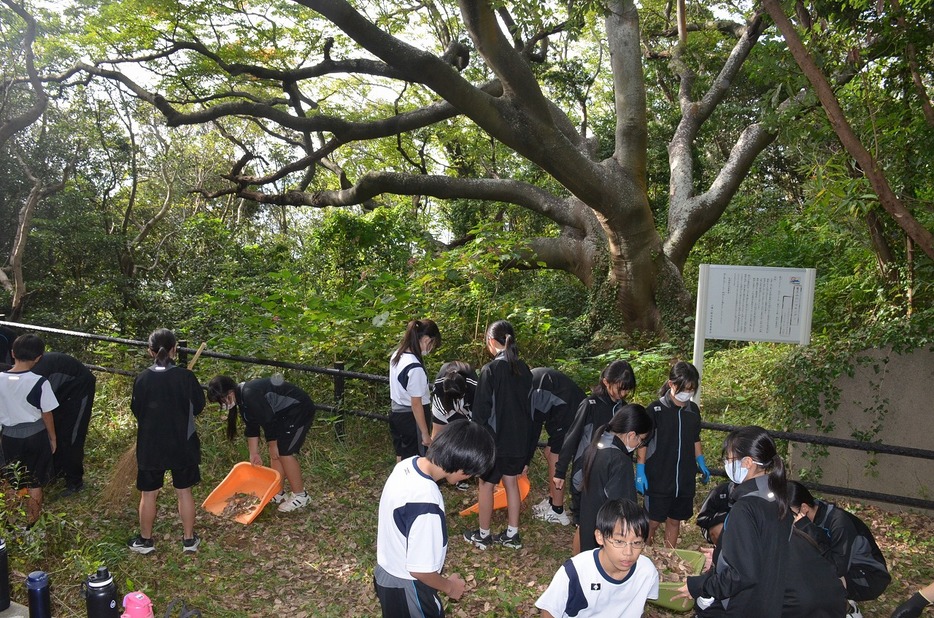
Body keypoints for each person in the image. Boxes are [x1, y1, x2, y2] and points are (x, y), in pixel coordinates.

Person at [374, 419, 495, 618]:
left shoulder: (407, 465)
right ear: (463, 467)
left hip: (387, 575)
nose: (469, 478)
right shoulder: (426, 501)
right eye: (471, 474)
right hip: (410, 589)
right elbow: (420, 571)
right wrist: (450, 587)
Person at [676, 425, 792, 617]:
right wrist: (720, 554)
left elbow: (741, 575)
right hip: (767, 602)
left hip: (740, 606)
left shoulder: (746, 507)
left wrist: (699, 586)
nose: (726, 464)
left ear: (747, 462)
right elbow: (761, 551)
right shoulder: (776, 500)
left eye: (729, 459)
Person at [128, 329, 205, 554]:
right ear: (175, 349)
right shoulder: (186, 377)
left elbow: (137, 410)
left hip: (151, 445)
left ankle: (145, 540)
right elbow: (198, 407)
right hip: (183, 443)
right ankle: (189, 540)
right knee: (184, 491)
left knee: (148, 494)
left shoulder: (142, 378)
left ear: (149, 351)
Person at [463, 320, 534, 550]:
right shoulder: (524, 370)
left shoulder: (490, 370)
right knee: (511, 482)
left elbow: (481, 411)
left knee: (485, 484)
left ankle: (483, 535)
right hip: (518, 440)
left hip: (494, 441)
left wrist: (477, 440)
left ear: (492, 342)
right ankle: (512, 534)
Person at [552, 360, 636, 550]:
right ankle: (577, 567)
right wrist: (560, 471)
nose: (623, 394)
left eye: (627, 390)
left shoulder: (624, 409)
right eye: (620, 389)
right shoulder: (590, 404)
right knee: (583, 524)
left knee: (606, 522)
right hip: (585, 474)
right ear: (606, 382)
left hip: (611, 476)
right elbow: (571, 438)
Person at [207, 375, 316, 512]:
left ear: (230, 392)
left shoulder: (249, 394)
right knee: (276, 453)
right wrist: (254, 453)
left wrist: (272, 444)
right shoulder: (242, 399)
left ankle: (301, 495)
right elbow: (252, 426)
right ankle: (278, 492)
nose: (223, 403)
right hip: (283, 414)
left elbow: (268, 421)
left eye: (222, 399)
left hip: (299, 410)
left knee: (285, 452)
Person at [535, 498, 659, 618]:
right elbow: (548, 613)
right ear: (600, 537)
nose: (628, 552)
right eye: (619, 542)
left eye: (636, 543)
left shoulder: (646, 572)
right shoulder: (575, 572)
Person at [787, 481, 891, 616]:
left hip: (869, 577)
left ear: (804, 508)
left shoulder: (839, 523)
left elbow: (836, 569)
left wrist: (808, 529)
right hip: (843, 568)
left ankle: (849, 611)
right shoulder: (815, 516)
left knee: (818, 582)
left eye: (790, 514)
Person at [637, 360, 710, 548]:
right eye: (684, 388)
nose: (688, 392)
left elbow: (695, 438)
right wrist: (640, 469)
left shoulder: (693, 411)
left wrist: (700, 461)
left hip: (683, 478)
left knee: (675, 520)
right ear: (671, 384)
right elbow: (643, 442)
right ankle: (645, 554)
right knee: (652, 522)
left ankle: (669, 557)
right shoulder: (655, 410)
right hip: (659, 477)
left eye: (692, 389)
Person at [577, 404, 653, 552]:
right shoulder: (619, 459)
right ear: (632, 435)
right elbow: (625, 506)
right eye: (641, 440)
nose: (639, 445)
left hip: (589, 528)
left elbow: (576, 484)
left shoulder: (594, 447)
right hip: (609, 536)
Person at [0, 334, 58, 524]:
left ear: (12, 353)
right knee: (35, 482)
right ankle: (31, 525)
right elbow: (47, 414)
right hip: (35, 436)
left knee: (11, 481)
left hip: (8, 436)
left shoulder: (0, 379)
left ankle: (10, 523)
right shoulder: (40, 382)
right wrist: (53, 438)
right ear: (38, 358)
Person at [33, 351, 96, 496]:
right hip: (59, 392)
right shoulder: (13, 374)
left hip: (79, 387)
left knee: (71, 435)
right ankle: (57, 472)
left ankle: (75, 482)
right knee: (57, 430)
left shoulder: (33, 375)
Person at [529, 367, 586, 526]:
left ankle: (558, 510)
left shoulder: (532, 389)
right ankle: (552, 500)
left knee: (555, 456)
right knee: (549, 452)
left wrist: (526, 461)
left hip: (570, 411)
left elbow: (534, 427)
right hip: (561, 410)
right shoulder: (531, 381)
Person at [389, 319, 441, 461]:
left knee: (401, 455)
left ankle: (399, 483)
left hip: (396, 413)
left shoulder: (397, 356)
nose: (431, 348)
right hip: (412, 418)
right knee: (415, 460)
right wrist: (424, 433)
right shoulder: (414, 367)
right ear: (426, 339)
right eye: (432, 343)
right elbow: (416, 403)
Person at [429, 361, 477, 439]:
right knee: (436, 436)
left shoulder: (473, 386)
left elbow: (477, 412)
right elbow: (439, 404)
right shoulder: (439, 384)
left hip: (468, 406)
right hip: (445, 403)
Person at [696, 481, 732, 545]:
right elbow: (701, 519)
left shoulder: (751, 493)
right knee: (720, 529)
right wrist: (724, 517)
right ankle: (721, 551)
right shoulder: (719, 491)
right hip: (714, 527)